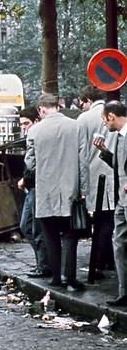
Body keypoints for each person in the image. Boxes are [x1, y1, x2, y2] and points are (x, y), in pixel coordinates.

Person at [24, 93, 89, 291]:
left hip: (45, 191)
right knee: (70, 235)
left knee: (50, 236)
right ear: (58, 106)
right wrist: (84, 189)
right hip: (71, 190)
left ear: (41, 110)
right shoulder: (76, 126)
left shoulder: (35, 131)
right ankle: (69, 277)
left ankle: (55, 279)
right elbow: (83, 161)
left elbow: (30, 162)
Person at [77, 85, 115, 271]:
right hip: (114, 171)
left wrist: (82, 185)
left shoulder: (84, 118)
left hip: (94, 174)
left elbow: (81, 152)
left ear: (87, 101)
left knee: (100, 221)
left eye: (82, 104)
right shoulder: (114, 112)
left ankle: (100, 261)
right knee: (111, 219)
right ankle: (109, 259)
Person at [93, 101, 127, 306]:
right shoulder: (120, 137)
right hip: (122, 202)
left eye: (104, 119)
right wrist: (104, 151)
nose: (104, 124)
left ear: (111, 116)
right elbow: (119, 166)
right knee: (120, 244)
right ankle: (124, 292)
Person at [17, 107, 51, 278]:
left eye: (26, 123)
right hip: (32, 187)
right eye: (22, 124)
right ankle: (43, 262)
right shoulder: (33, 136)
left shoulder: (39, 136)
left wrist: (25, 179)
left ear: (36, 121)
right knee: (27, 226)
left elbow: (36, 164)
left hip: (37, 187)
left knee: (35, 227)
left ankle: (44, 264)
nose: (24, 127)